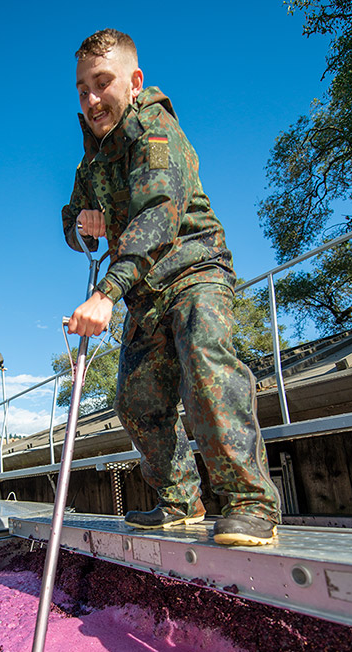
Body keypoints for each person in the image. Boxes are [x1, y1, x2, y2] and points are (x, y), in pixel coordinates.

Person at [62, 28, 281, 547]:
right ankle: (180, 500)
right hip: (145, 291)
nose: (92, 99)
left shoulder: (154, 128)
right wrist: (81, 225)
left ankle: (250, 503)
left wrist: (105, 295)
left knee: (205, 363)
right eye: (81, 89)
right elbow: (68, 219)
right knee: (136, 401)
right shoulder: (89, 163)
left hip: (193, 270)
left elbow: (158, 212)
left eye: (102, 83)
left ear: (134, 81)